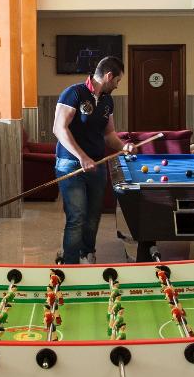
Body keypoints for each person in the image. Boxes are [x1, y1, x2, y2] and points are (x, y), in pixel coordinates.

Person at [53, 55, 134, 264]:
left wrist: (123, 146)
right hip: (71, 165)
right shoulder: (74, 93)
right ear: (109, 76)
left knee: (93, 215)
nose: (117, 85)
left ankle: (86, 253)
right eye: (117, 80)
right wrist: (82, 157)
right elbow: (59, 129)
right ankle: (70, 264)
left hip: (97, 165)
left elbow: (109, 134)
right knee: (77, 216)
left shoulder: (107, 101)